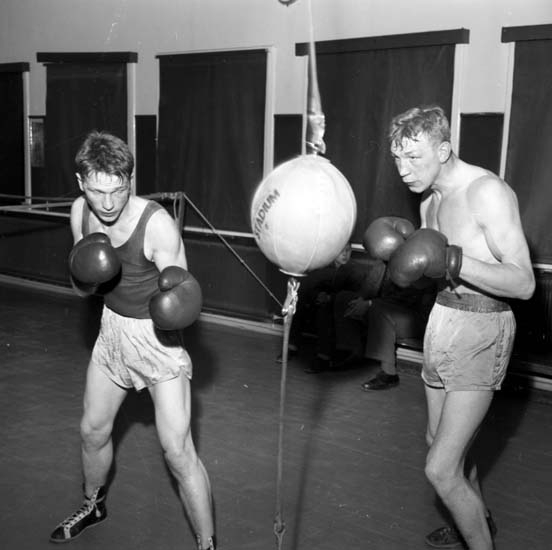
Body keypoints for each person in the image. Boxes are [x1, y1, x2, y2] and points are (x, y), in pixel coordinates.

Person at [365, 105, 535, 550]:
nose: (403, 170)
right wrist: (402, 256)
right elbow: (433, 271)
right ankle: (474, 518)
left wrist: (455, 259)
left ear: (443, 150)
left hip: (483, 326)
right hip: (442, 320)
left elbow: (524, 283)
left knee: (440, 469)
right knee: (438, 442)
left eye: (414, 157)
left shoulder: (486, 192)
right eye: (397, 159)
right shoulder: (430, 201)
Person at [49, 131, 216, 550]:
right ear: (80, 182)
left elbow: (184, 292)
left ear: (130, 181)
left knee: (177, 451)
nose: (107, 203)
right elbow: (83, 286)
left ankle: (207, 543)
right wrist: (86, 277)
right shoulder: (79, 212)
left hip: (157, 339)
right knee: (92, 430)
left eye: (118, 190)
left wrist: (175, 305)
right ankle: (93, 505)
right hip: (112, 331)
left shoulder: (155, 224)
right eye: (97, 191)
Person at [333, 263, 437, 390]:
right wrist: (361, 300)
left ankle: (389, 374)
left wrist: (370, 304)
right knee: (344, 298)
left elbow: (404, 300)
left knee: (380, 310)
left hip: (415, 319)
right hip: (383, 308)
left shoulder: (418, 264)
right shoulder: (384, 263)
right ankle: (353, 353)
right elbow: (369, 287)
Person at [279, 242, 373, 373]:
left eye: (348, 250)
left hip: (340, 307)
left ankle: (322, 358)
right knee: (299, 298)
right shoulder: (324, 266)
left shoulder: (355, 271)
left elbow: (354, 296)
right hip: (321, 300)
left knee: (325, 310)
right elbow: (313, 285)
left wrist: (330, 298)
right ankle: (291, 347)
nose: (345, 254)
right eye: (341, 251)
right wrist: (318, 295)